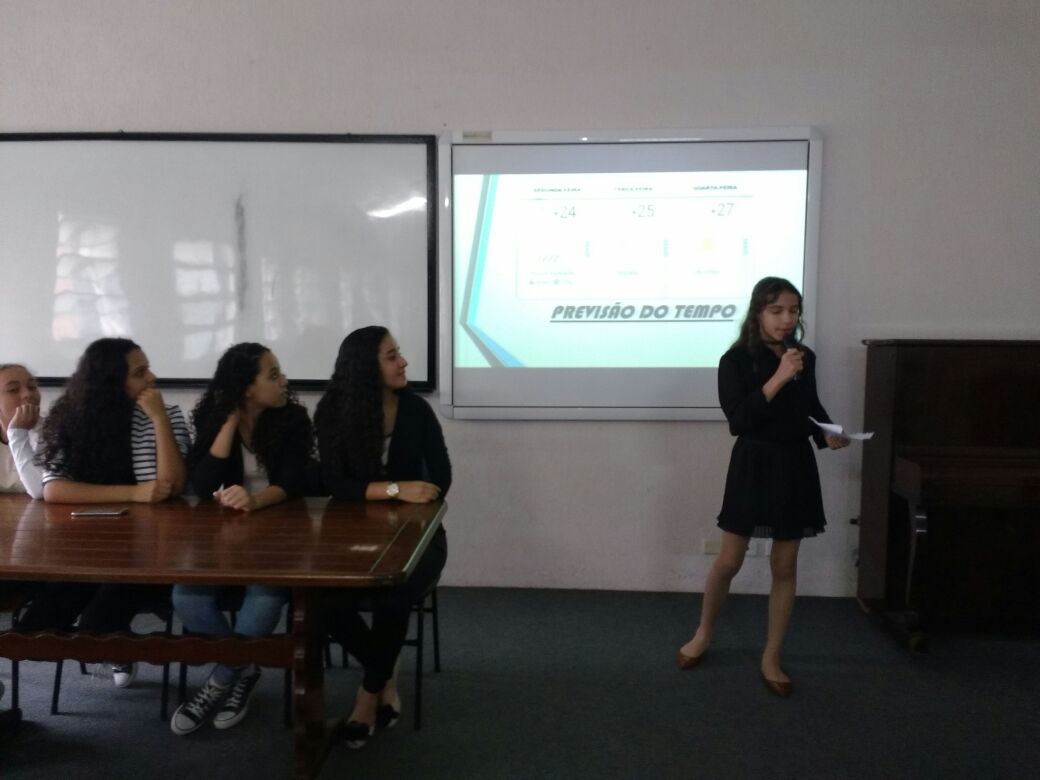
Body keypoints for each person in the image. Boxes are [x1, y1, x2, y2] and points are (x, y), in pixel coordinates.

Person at [677, 277, 849, 697]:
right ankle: (704, 632)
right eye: (777, 311)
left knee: (785, 566)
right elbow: (739, 420)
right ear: (758, 313)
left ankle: (771, 655)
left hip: (795, 465)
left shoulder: (804, 356)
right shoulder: (735, 360)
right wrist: (779, 377)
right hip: (753, 464)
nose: (787, 319)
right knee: (729, 561)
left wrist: (826, 433)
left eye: (794, 310)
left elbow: (809, 407)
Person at [22, 338, 190, 688]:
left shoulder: (166, 413)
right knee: (35, 629)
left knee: (97, 623)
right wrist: (134, 493)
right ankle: (111, 641)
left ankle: (116, 645)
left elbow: (171, 486)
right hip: (85, 546)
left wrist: (158, 419)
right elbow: (54, 489)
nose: (152, 378)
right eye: (140, 372)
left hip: (147, 550)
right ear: (111, 380)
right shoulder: (70, 416)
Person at [315, 325, 450, 749]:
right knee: (323, 599)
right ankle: (384, 671)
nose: (403, 362)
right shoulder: (333, 411)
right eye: (392, 356)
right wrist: (395, 489)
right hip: (350, 535)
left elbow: (441, 478)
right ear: (364, 368)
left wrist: (402, 496)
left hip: (418, 534)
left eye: (399, 353)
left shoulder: (416, 410)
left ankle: (367, 696)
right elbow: (336, 484)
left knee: (394, 593)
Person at [170, 342, 312, 736]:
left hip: (281, 534)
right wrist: (229, 421)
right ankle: (244, 668)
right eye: (273, 375)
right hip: (224, 537)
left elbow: (295, 480)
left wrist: (254, 500)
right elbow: (202, 486)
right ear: (246, 388)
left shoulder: (293, 419)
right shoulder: (212, 416)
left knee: (264, 595)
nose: (284, 381)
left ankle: (220, 679)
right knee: (186, 596)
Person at [0, 363, 44, 498]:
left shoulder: (54, 432)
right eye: (13, 390)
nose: (27, 394)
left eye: (32, 387)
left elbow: (41, 490)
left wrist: (17, 432)